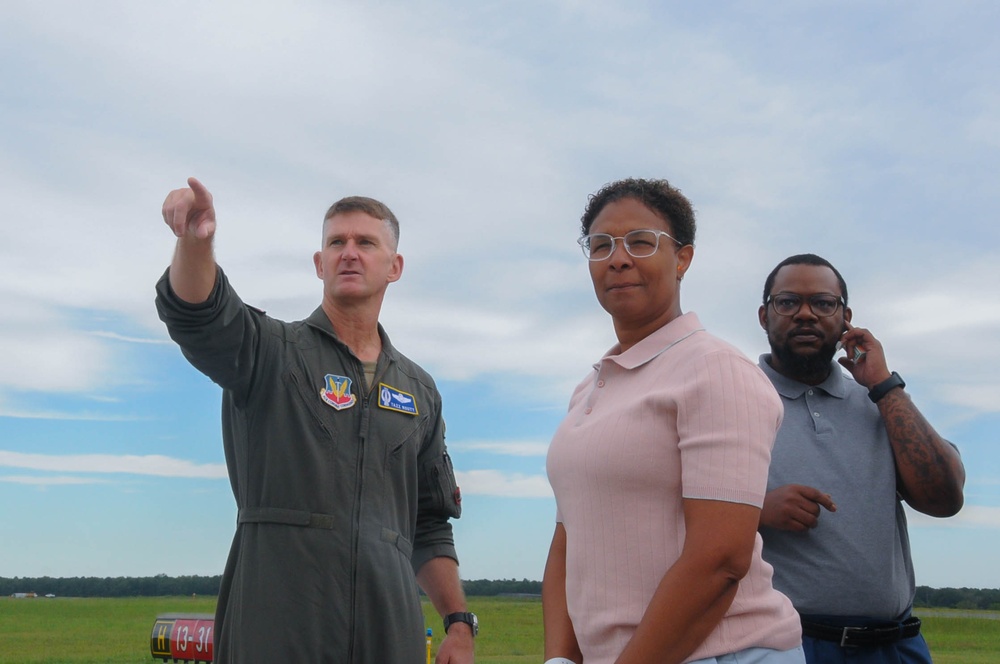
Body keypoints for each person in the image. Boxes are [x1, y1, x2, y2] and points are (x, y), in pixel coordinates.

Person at [155, 177, 476, 664]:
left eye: (365, 242)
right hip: (276, 631)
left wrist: (457, 622)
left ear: (395, 267)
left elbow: (429, 524)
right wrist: (195, 242)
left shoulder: (418, 391)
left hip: (388, 638)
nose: (349, 252)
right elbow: (200, 315)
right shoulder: (269, 352)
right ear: (319, 263)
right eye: (336, 242)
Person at [543, 178, 805, 664]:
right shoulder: (589, 389)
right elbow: (567, 540)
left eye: (641, 242)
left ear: (682, 259)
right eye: (601, 246)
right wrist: (560, 659)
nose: (617, 258)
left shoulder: (716, 371)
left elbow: (721, 561)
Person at [756, 253, 966, 664]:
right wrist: (756, 509)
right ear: (764, 316)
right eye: (787, 302)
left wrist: (884, 385)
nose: (805, 314)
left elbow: (945, 499)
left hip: (896, 647)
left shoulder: (883, 403)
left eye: (822, 303)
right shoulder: (732, 398)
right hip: (785, 647)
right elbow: (665, 510)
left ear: (846, 317)